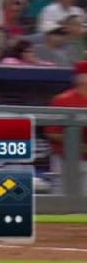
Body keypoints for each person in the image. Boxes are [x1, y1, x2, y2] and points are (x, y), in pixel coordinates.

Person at [46, 61, 87, 195]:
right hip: (65, 158)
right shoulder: (62, 100)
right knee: (62, 200)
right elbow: (52, 132)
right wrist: (77, 145)